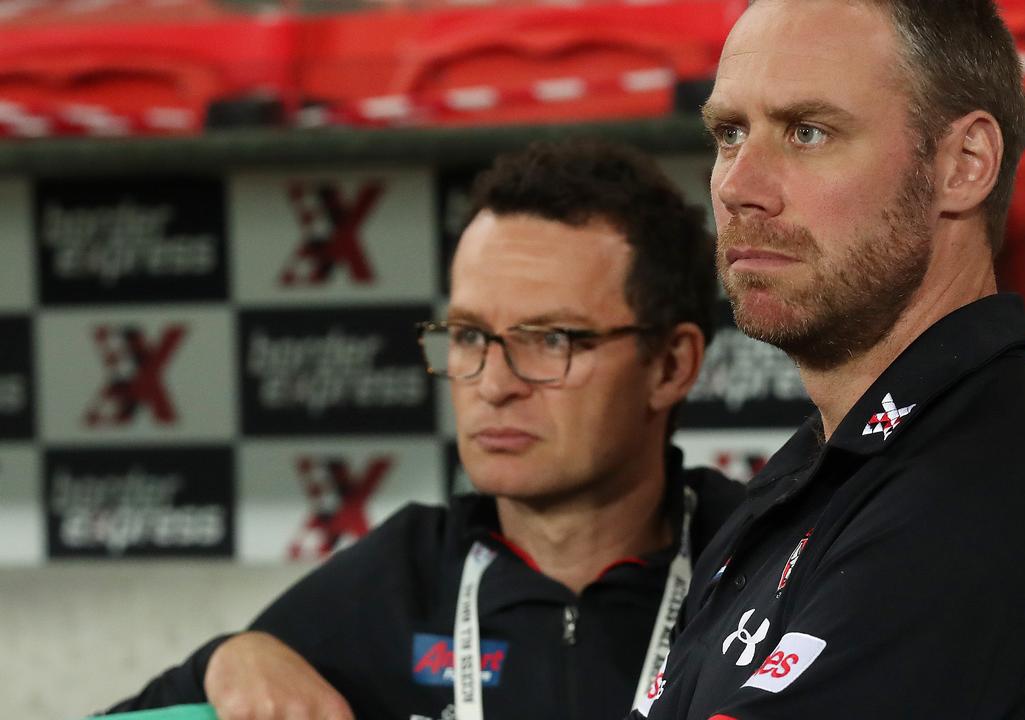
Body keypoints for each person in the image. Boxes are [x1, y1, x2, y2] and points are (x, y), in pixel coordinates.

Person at [631, 1, 1025, 718]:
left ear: (963, 165)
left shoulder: (1005, 486)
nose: (736, 187)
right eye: (729, 134)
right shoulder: (822, 473)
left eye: (808, 132)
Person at [105, 139, 744, 720]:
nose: (493, 384)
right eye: (469, 336)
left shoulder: (771, 564)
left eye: (551, 340)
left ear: (669, 366)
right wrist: (224, 661)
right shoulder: (398, 579)